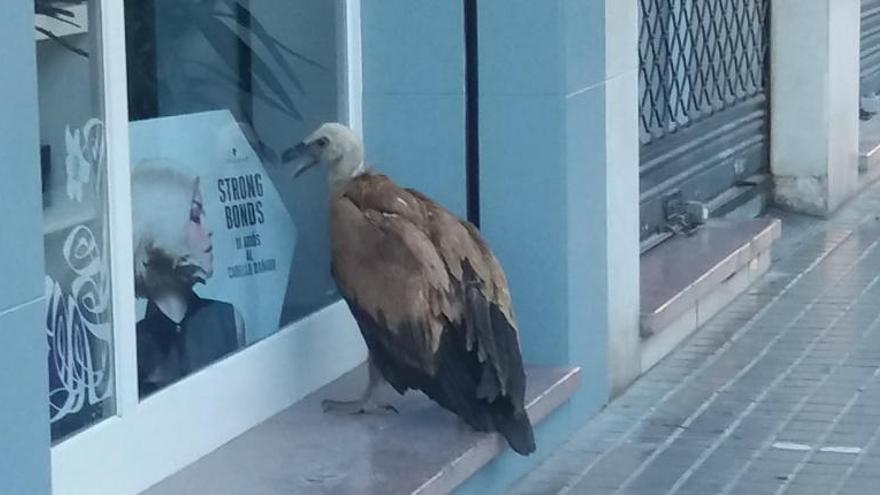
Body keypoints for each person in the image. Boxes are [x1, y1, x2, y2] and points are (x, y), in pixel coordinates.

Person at [131, 161, 245, 397]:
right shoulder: (132, 346)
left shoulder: (227, 320)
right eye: (195, 217)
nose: (209, 228)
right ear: (164, 227)